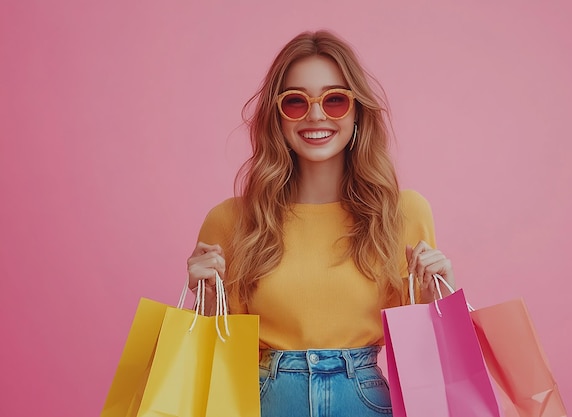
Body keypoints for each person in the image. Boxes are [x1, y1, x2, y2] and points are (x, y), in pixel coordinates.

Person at [186, 30, 455, 417]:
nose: (316, 115)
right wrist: (205, 300)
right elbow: (219, 357)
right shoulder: (230, 221)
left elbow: (420, 355)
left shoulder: (403, 213)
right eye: (295, 102)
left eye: (335, 100)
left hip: (366, 403)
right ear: (276, 117)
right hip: (265, 402)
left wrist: (439, 296)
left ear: (357, 111)